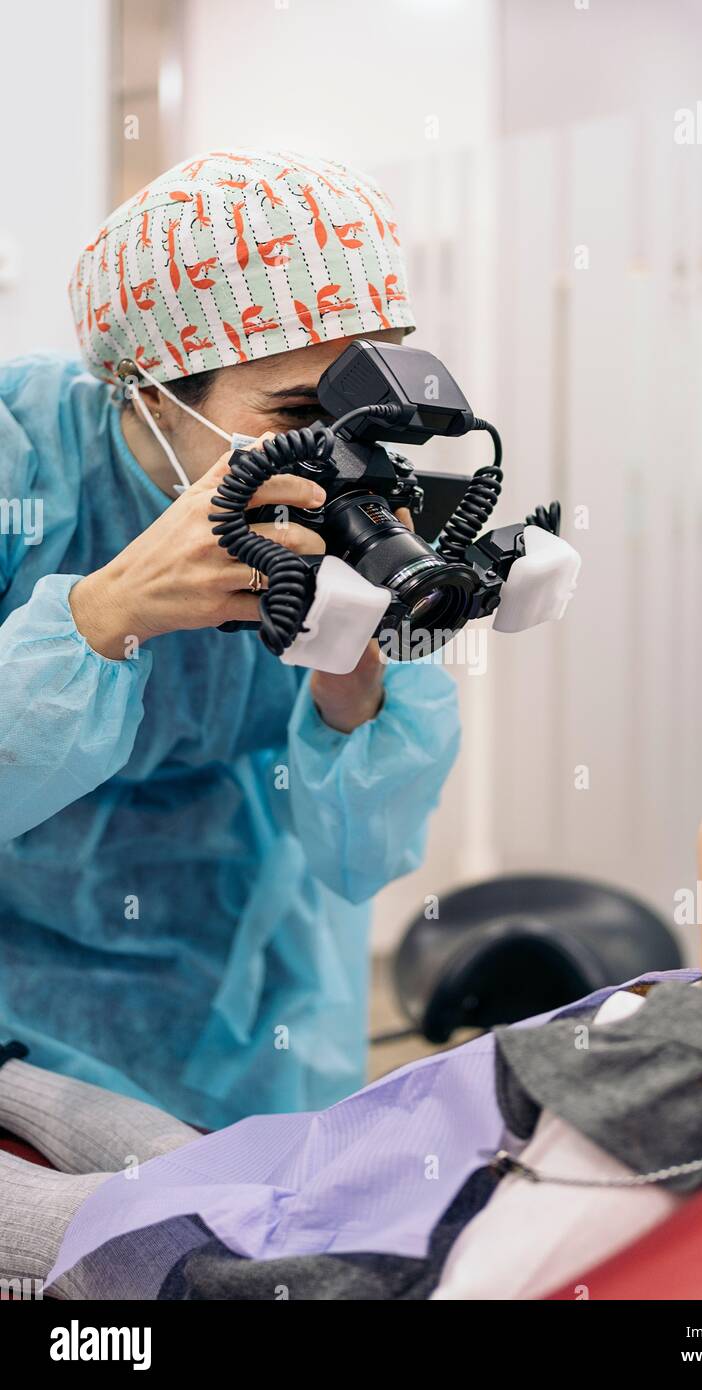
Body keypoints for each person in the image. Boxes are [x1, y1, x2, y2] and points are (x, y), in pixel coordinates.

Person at [1, 635, 702, 1300]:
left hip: (276, 1267)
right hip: (324, 1193)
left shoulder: (676, 1090)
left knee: (102, 1215)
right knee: (185, 1157)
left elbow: (494, 1278)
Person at [0, 149, 460, 1129]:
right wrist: (106, 613)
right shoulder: (20, 462)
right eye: (295, 415)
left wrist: (353, 693)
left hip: (242, 974)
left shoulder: (348, 511)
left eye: (361, 416)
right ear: (150, 390)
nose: (336, 457)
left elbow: (359, 852)